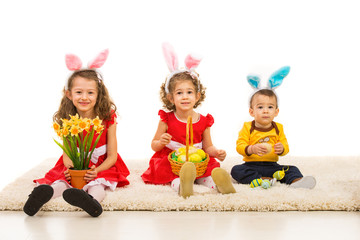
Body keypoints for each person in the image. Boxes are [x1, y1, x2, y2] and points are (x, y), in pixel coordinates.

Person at [23, 50, 130, 217]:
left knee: (97, 184)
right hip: (73, 163)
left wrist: (97, 170)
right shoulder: (68, 119)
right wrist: (72, 169)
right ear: (69, 94)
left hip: (100, 165)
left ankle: (91, 201)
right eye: (79, 92)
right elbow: (67, 152)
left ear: (98, 94)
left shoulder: (108, 117)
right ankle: (43, 195)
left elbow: (112, 156)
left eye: (90, 92)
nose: (84, 97)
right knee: (63, 181)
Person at [141, 43, 235, 198]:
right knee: (168, 172)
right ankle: (183, 185)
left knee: (207, 169)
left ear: (197, 96)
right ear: (170, 97)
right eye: (179, 93)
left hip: (197, 157)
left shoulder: (204, 121)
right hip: (173, 158)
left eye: (189, 92)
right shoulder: (167, 119)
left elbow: (208, 146)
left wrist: (217, 153)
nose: (185, 96)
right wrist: (162, 142)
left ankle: (218, 183)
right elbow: (154, 145)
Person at [231, 66, 316, 189]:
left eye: (270, 107)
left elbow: (285, 146)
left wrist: (281, 149)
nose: (265, 111)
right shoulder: (248, 127)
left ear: (276, 112)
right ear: (251, 111)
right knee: (236, 170)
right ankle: (261, 179)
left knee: (292, 169)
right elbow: (240, 146)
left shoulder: (278, 128)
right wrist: (251, 149)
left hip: (272, 166)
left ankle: (297, 182)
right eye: (260, 107)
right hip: (251, 165)